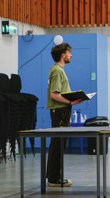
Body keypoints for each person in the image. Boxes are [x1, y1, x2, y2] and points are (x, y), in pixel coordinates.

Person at [46, 43, 83, 187]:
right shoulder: (57, 71)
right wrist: (70, 103)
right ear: (63, 55)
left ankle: (53, 177)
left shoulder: (58, 70)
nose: (71, 55)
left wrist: (71, 102)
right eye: (69, 53)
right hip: (60, 112)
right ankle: (54, 179)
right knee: (58, 145)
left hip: (62, 111)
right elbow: (54, 95)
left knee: (58, 145)